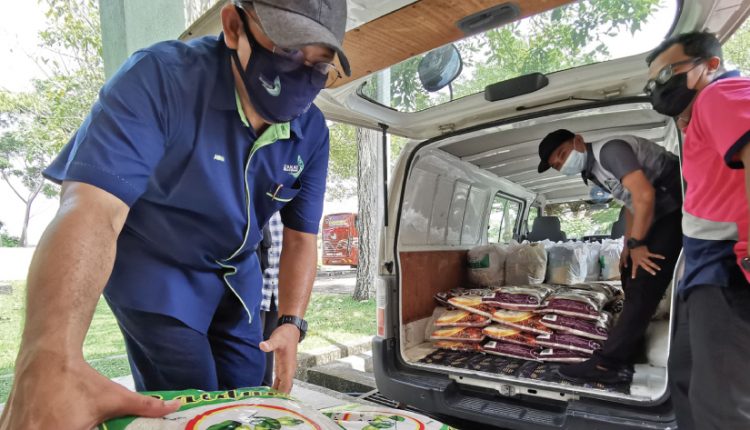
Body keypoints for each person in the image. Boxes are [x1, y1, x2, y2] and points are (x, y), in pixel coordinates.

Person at [0, 1, 350, 429]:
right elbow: (92, 209)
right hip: (156, 271)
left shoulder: (311, 131)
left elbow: (301, 237)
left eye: (319, 64)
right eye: (288, 51)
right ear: (234, 26)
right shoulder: (159, 79)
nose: (301, 74)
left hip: (237, 275)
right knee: (189, 400)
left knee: (249, 395)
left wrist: (292, 322)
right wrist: (49, 358)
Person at [645, 31, 750, 429]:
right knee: (685, 377)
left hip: (729, 267)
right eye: (652, 83)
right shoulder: (700, 114)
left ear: (711, 65)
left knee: (723, 404)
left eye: (667, 73)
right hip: (704, 269)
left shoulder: (719, 94)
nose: (659, 87)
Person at [536, 129, 682, 383]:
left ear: (578, 141)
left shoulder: (610, 151)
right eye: (556, 164)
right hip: (658, 212)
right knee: (628, 269)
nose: (562, 163)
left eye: (562, 153)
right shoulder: (594, 172)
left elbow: (644, 194)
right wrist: (628, 246)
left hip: (676, 206)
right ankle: (629, 344)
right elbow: (631, 203)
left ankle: (609, 365)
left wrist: (639, 244)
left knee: (644, 277)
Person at [258, 211, 283, 387]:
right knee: (253, 344)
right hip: (256, 287)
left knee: (270, 341)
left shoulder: (285, 208)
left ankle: (264, 390)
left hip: (277, 286)